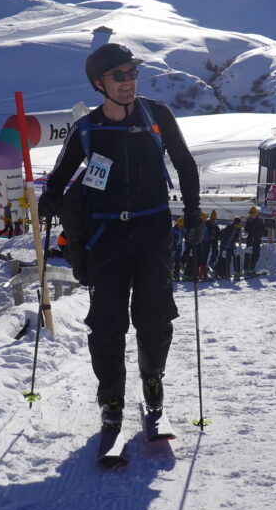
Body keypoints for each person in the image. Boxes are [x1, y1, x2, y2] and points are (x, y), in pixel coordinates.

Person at [36, 43, 203, 430]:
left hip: (152, 232)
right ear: (99, 84)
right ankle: (111, 396)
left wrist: (193, 214)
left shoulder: (156, 115)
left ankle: (152, 378)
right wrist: (50, 199)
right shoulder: (86, 129)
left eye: (133, 73)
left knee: (155, 318)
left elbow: (185, 164)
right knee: (107, 324)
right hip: (106, 236)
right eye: (120, 75)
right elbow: (58, 180)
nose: (129, 81)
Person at [243, 206, 266, 274]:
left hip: (257, 240)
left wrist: (262, 232)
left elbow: (263, 230)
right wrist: (250, 225)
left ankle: (252, 268)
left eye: (253, 215)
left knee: (256, 255)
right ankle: (246, 269)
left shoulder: (260, 221)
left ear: (256, 214)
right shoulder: (248, 221)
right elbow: (246, 230)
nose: (251, 216)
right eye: (251, 215)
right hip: (250, 240)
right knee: (248, 255)